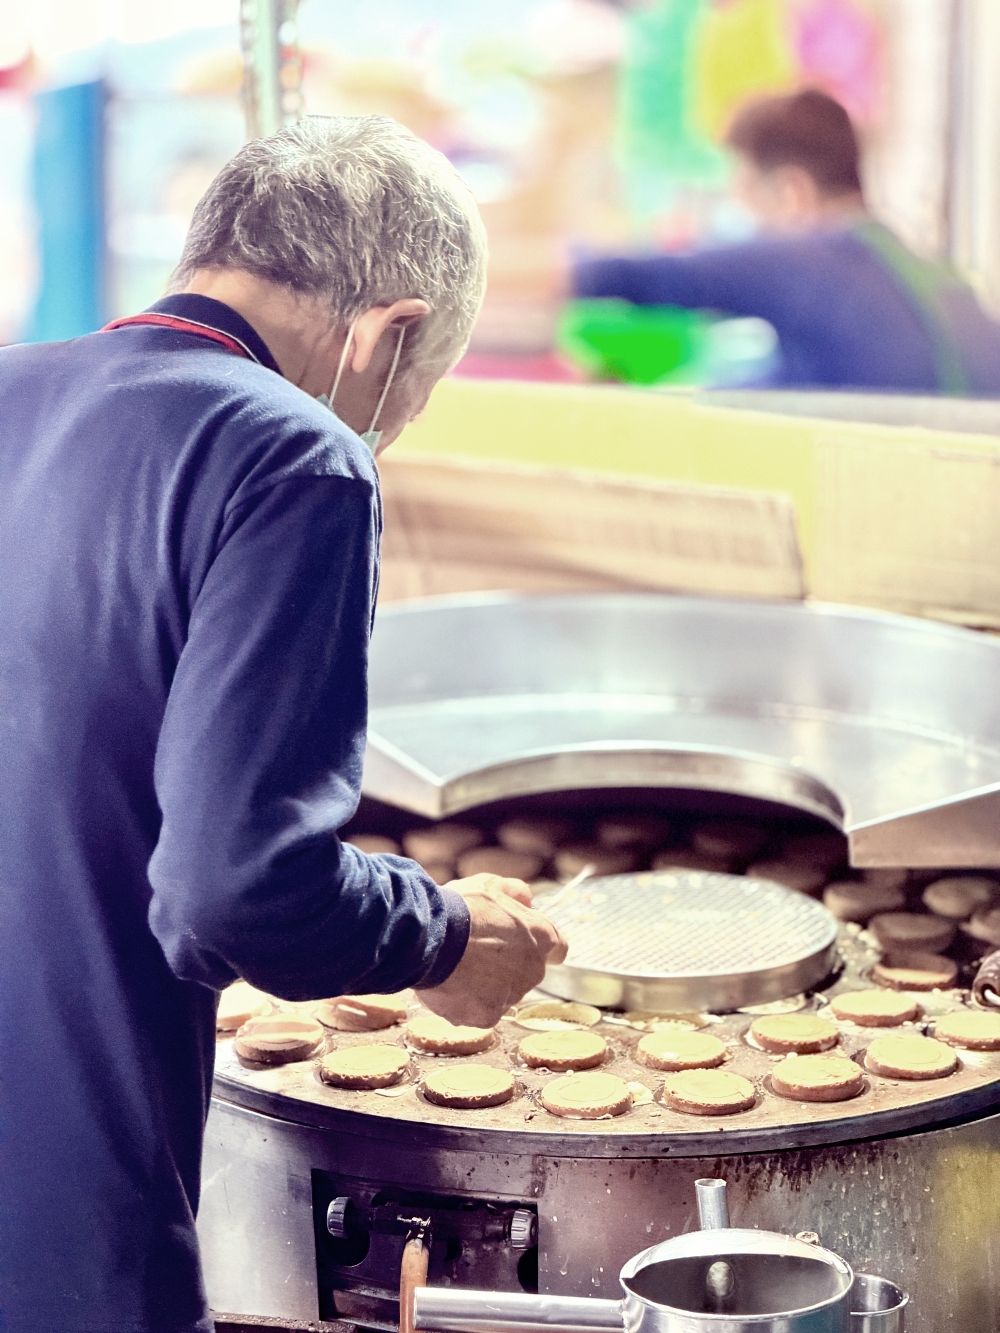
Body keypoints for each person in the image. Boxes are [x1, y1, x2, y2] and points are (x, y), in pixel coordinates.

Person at [0, 115, 566, 1333]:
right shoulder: (292, 455)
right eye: (406, 402)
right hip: (54, 1240)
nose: (383, 429)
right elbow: (232, 891)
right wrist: (445, 936)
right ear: (387, 333)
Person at [573, 88, 1000, 394]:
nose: (740, 225)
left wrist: (561, 274)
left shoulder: (821, 262)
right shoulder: (934, 280)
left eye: (744, 198)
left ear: (792, 194)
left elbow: (654, 277)